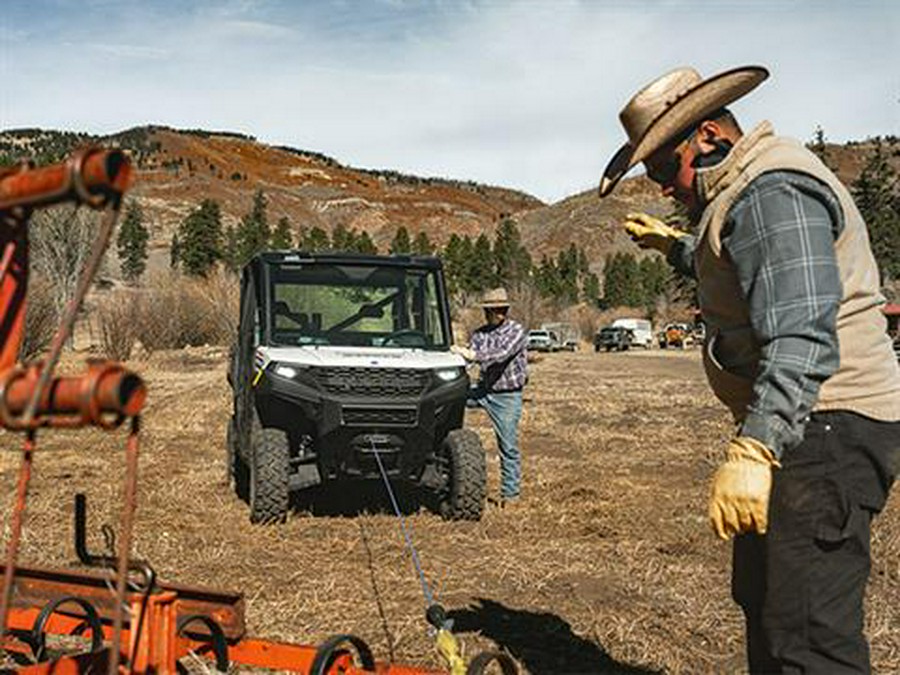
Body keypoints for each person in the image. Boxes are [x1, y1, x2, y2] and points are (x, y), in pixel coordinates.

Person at [599, 65, 900, 673]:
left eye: (663, 167)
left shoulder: (769, 190)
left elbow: (800, 330)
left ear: (709, 136)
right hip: (810, 426)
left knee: (808, 635)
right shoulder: (747, 196)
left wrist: (755, 449)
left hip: (823, 426)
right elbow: (757, 267)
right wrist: (677, 248)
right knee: (769, 607)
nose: (662, 186)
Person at [451, 288, 527, 505]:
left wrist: (473, 355)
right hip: (483, 389)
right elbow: (469, 360)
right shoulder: (480, 334)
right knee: (450, 400)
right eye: (493, 310)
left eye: (501, 309)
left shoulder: (516, 331)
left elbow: (501, 354)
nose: (498, 313)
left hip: (507, 396)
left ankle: (510, 495)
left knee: (508, 445)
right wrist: (457, 357)